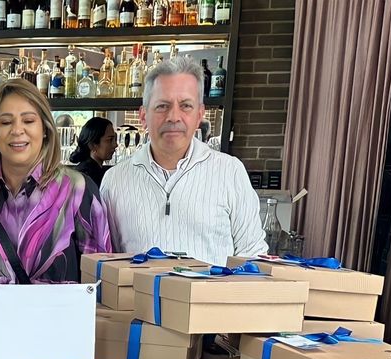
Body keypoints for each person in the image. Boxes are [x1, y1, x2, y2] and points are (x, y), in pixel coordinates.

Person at [100, 56, 266, 265]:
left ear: (200, 114)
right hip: (139, 298)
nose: (173, 116)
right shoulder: (115, 181)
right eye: (162, 106)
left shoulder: (230, 172)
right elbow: (110, 261)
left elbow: (252, 257)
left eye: (186, 105)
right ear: (143, 116)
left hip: (211, 298)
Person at [0, 78, 112, 285]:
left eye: (28, 120)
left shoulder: (78, 190)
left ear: (46, 129)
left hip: (61, 317)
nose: (17, 130)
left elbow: (99, 281)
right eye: (5, 122)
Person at [69, 116, 117, 186]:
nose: (115, 145)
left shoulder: (91, 170)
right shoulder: (88, 176)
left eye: (114, 140)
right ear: (92, 145)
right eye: (109, 140)